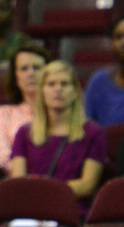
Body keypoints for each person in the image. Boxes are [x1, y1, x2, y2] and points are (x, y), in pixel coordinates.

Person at [9, 60, 105, 211]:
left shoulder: (93, 133)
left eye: (64, 84)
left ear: (75, 92)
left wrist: (44, 192)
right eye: (51, 84)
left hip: (71, 210)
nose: (58, 89)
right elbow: (18, 181)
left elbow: (87, 185)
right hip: (31, 210)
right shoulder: (24, 133)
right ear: (42, 92)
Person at [0, 44, 50, 174]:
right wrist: (29, 175)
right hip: (17, 180)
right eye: (24, 69)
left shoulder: (61, 111)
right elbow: (1, 157)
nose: (31, 73)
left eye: (37, 68)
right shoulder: (3, 113)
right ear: (15, 77)